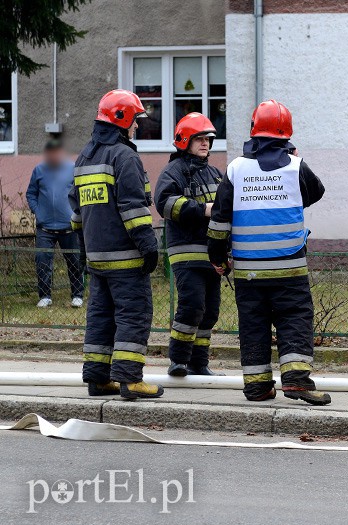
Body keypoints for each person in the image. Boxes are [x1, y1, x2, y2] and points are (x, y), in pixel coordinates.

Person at [208, 100, 330, 405]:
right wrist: (294, 167)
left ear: (254, 131)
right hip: (290, 268)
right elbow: (316, 192)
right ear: (286, 134)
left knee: (253, 325)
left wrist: (218, 258)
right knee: (295, 319)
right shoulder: (296, 167)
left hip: (250, 272)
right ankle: (297, 381)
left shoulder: (235, 169)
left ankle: (257, 387)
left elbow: (220, 220)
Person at [68, 89, 163, 399]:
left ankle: (98, 378)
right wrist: (149, 248)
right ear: (122, 119)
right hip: (126, 260)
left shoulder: (85, 157)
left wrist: (84, 251)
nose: (136, 126)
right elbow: (134, 209)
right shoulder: (124, 156)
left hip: (97, 259)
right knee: (133, 315)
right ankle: (129, 378)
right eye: (135, 120)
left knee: (100, 317)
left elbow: (77, 213)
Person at [154, 113, 224, 377]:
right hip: (185, 250)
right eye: (199, 139)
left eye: (207, 139)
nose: (205, 144)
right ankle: (179, 360)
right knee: (192, 304)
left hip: (212, 253)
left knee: (210, 311)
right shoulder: (173, 171)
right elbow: (165, 203)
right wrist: (202, 209)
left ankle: (199, 363)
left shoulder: (216, 174)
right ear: (185, 140)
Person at [26, 138, 85, 308]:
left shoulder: (72, 169)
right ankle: (44, 296)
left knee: (74, 261)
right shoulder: (39, 170)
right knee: (43, 262)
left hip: (69, 227)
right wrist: (38, 212)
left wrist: (76, 213)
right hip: (45, 228)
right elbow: (31, 194)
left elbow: (79, 192)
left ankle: (77, 295)